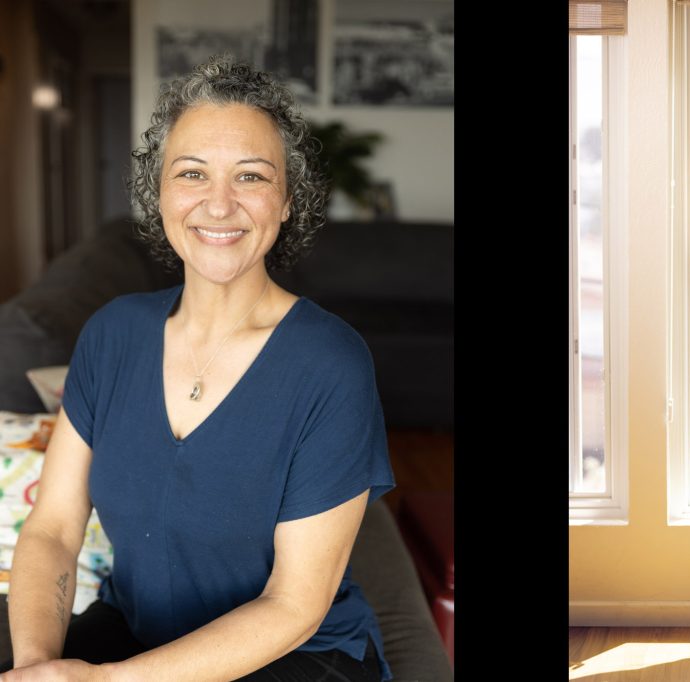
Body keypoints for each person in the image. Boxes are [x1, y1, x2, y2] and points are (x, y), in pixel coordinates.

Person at [3, 55, 396, 681]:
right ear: (157, 193)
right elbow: (51, 528)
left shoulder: (331, 363)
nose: (219, 205)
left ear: (288, 201)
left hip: (294, 654)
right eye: (192, 173)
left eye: (250, 177)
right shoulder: (113, 333)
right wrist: (37, 666)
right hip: (134, 632)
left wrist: (105, 681)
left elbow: (294, 605)